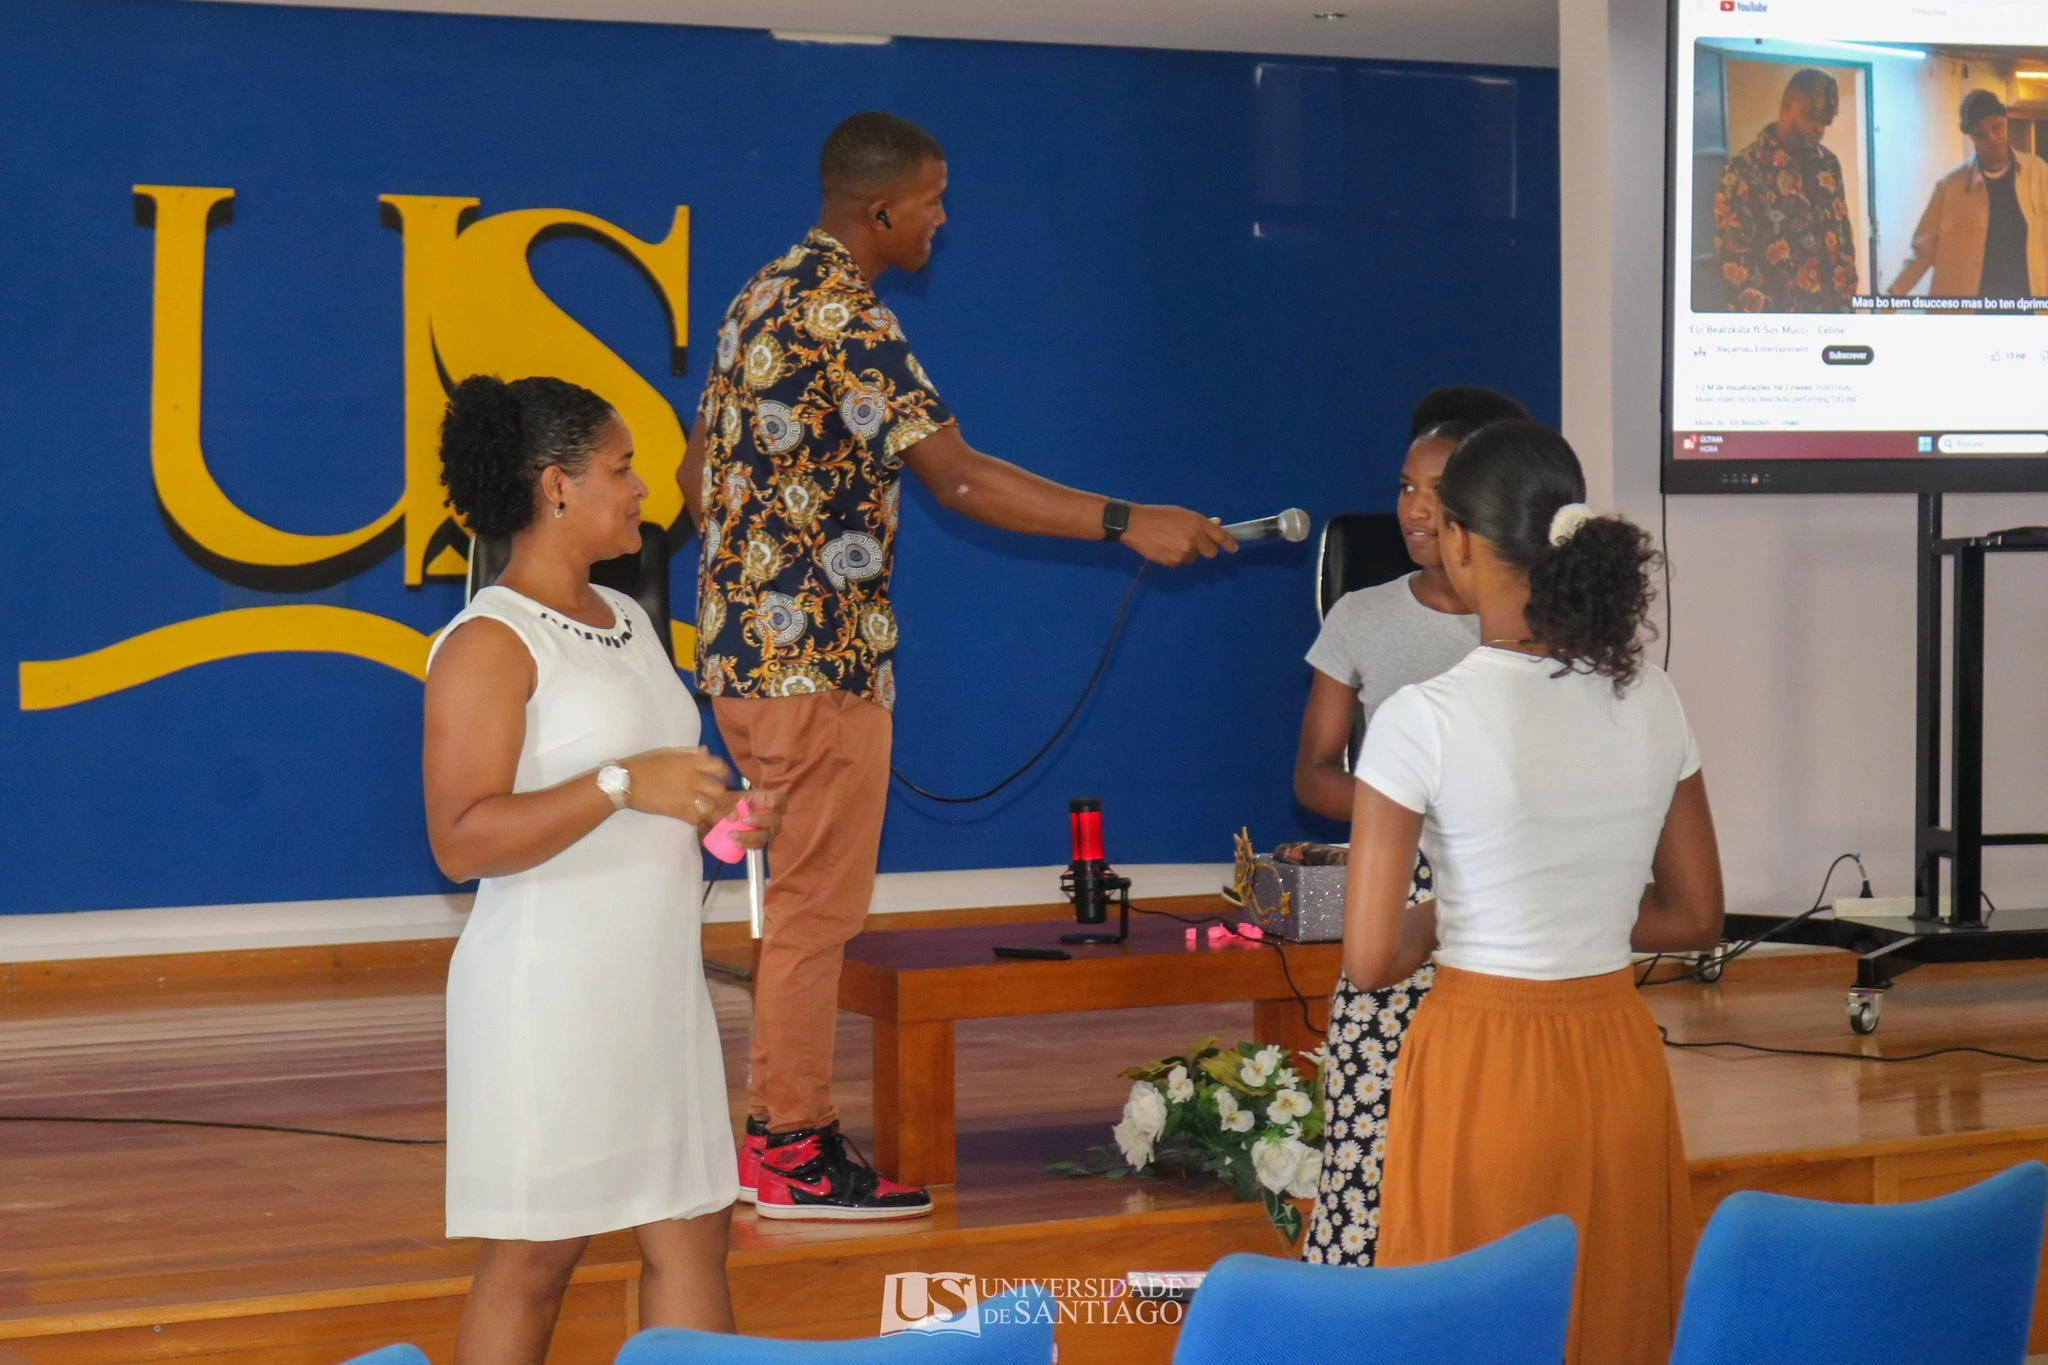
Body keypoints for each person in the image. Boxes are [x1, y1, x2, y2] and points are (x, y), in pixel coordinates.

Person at [680, 111, 1234, 1221]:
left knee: (793, 907)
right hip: (815, 673)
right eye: (933, 199)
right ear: (881, 209)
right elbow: (963, 482)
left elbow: (696, 475)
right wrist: (1126, 520)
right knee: (813, 918)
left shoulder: (758, 296)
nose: (942, 217)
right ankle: (788, 1147)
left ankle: (777, 1131)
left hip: (743, 661)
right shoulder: (845, 315)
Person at [1344, 420, 1724, 1365]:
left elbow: (1370, 956)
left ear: (1462, 542)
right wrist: (1581, 912)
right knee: (1614, 1322)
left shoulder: (1419, 719)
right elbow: (1697, 916)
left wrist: (1451, 914)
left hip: (1487, 1067)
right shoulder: (1654, 698)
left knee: (1472, 1334)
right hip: (1620, 1061)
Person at [423, 375, 784, 1364]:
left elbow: (650, 795)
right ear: (556, 487)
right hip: (549, 997)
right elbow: (459, 839)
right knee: (537, 1256)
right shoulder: (488, 642)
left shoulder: (625, 620)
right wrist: (624, 782)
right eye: (620, 469)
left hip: (653, 989)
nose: (640, 490)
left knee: (692, 1230)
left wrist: (717, 818)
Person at [1292, 383, 1528, 1267]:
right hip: (1401, 883)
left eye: (1438, 492)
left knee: (1485, 1123)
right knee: (1375, 1107)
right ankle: (1359, 1289)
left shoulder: (1530, 626)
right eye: (1403, 487)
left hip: (1502, 895)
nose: (1415, 509)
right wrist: (1403, 798)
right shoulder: (1362, 616)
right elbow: (1313, 773)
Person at [1713, 68, 1858, 312]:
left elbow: (1843, 237)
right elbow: (1736, 267)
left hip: (1835, 319)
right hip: (1780, 332)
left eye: (1824, 122)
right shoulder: (1741, 172)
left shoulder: (1829, 165)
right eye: (1812, 118)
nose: (1819, 130)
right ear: (1788, 106)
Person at [1889, 90, 2048, 301]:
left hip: (2028, 311)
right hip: (1970, 317)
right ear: (1971, 136)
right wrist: (1892, 296)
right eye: (1981, 134)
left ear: (2006, 124)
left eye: (1996, 128)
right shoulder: (1950, 187)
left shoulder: (2038, 173)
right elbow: (1923, 251)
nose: (1992, 138)